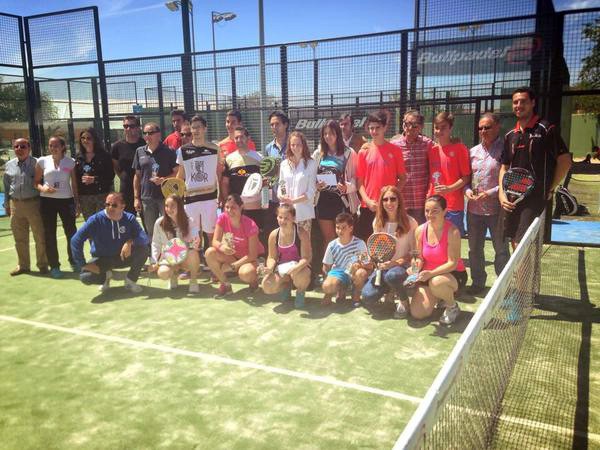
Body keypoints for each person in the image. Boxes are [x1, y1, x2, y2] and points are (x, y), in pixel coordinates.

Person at [500, 87, 572, 246]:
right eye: (515, 102)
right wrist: (501, 194)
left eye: (523, 101)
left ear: (533, 103)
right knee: (514, 242)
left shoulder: (546, 129)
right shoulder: (510, 135)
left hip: (535, 198)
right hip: (513, 197)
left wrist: (550, 188)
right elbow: (504, 167)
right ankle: (522, 273)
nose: (518, 105)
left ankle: (523, 272)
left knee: (522, 244)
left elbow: (565, 160)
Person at [465, 113, 510, 295]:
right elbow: (466, 179)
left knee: (501, 250)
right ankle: (478, 283)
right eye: (481, 128)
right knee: (474, 249)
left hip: (496, 210)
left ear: (497, 127)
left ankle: (502, 286)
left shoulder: (506, 150)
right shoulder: (472, 152)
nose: (483, 131)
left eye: (488, 127)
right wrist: (467, 191)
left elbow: (508, 180)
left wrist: (491, 193)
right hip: (474, 211)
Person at [71, 192, 149, 294]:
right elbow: (76, 240)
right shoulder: (95, 220)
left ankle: (130, 280)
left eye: (114, 205)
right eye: (107, 204)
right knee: (85, 277)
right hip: (103, 259)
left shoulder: (129, 218)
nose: (110, 208)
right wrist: (82, 263)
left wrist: (130, 242)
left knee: (144, 249)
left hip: (123, 257)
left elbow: (144, 238)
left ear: (122, 206)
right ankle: (106, 276)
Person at [361, 186, 418, 318]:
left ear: (399, 201)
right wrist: (371, 260)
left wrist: (394, 263)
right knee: (368, 297)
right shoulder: (377, 222)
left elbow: (414, 253)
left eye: (393, 199)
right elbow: (376, 250)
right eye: (385, 200)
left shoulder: (411, 222)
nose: (389, 203)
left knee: (393, 276)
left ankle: (404, 301)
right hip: (382, 269)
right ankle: (390, 290)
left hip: (402, 266)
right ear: (381, 203)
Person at [409, 195, 467, 325]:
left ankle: (452, 306)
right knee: (417, 313)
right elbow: (417, 257)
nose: (430, 214)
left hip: (453, 275)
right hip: (428, 275)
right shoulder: (419, 230)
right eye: (427, 211)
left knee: (436, 282)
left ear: (445, 211)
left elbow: (453, 263)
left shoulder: (453, 232)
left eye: (435, 211)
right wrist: (414, 270)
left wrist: (430, 274)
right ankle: (440, 297)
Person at [355, 110, 407, 241]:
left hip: (388, 208)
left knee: (388, 243)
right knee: (366, 243)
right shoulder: (363, 152)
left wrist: (392, 198)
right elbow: (359, 182)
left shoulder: (395, 151)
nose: (374, 131)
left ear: (385, 128)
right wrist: (367, 200)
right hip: (369, 207)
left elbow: (403, 178)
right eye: (371, 128)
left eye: (377, 127)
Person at [34, 136, 79, 279]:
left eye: (56, 145)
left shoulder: (70, 162)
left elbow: (75, 184)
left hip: (66, 201)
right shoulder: (42, 161)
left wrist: (76, 203)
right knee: (49, 234)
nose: (53, 148)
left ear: (62, 147)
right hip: (47, 202)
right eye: (50, 145)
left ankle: (74, 261)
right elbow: (36, 183)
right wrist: (43, 189)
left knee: (71, 233)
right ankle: (54, 266)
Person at [312, 120, 359, 253]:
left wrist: (347, 187)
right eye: (325, 134)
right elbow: (311, 176)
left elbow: (356, 178)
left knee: (344, 237)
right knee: (329, 238)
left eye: (331, 133)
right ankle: (328, 268)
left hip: (342, 201)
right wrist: (317, 185)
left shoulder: (349, 153)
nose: (328, 137)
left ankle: (346, 267)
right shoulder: (318, 153)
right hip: (323, 201)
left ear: (337, 134)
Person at [3, 138, 48, 275]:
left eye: (23, 146)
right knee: (19, 237)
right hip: (15, 204)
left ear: (29, 148)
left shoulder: (37, 163)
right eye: (16, 146)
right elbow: (6, 186)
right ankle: (23, 266)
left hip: (34, 204)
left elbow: (44, 183)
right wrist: (6, 203)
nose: (19, 149)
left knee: (39, 236)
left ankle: (43, 265)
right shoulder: (9, 165)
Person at [205, 194, 265, 297]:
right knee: (209, 252)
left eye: (233, 207)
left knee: (245, 274)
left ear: (241, 207)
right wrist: (222, 247)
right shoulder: (222, 218)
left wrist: (233, 266)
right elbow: (215, 241)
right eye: (227, 207)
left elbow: (253, 255)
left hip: (250, 259)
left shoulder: (250, 225)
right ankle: (225, 284)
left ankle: (253, 281)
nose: (229, 210)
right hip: (233, 257)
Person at [176, 115, 221, 245]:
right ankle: (195, 260)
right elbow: (180, 175)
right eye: (193, 128)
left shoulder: (215, 148)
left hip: (210, 198)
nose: (196, 131)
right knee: (192, 235)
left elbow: (219, 172)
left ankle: (212, 260)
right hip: (190, 199)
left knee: (211, 234)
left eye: (199, 127)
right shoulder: (183, 151)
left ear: (205, 129)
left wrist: (221, 195)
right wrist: (177, 195)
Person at [427, 112, 471, 236]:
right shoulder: (431, 150)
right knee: (434, 240)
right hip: (433, 205)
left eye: (443, 127)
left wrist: (449, 189)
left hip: (453, 206)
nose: (439, 131)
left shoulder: (460, 148)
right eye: (436, 127)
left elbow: (466, 177)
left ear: (450, 128)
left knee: (453, 243)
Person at [133, 122, 178, 240]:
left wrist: (164, 180)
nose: (147, 135)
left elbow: (177, 172)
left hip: (165, 197)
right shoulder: (139, 151)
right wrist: (136, 198)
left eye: (151, 133)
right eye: (145, 133)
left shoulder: (169, 151)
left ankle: (172, 256)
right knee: (151, 231)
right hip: (147, 198)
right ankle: (155, 256)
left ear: (158, 134)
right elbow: (137, 176)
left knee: (169, 228)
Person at [261, 204, 312, 308]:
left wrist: (296, 268)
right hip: (282, 269)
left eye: (286, 218)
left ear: (293, 218)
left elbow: (307, 258)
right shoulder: (273, 235)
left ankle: (300, 292)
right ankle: (287, 285)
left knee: (301, 277)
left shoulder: (302, 233)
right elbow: (272, 257)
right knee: (267, 286)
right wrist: (270, 268)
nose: (282, 221)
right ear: (276, 217)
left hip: (300, 267)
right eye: (280, 217)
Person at [150, 194, 201, 294]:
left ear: (179, 206)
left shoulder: (189, 221)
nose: (169, 209)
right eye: (166, 206)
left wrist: (196, 240)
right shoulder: (159, 223)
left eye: (172, 205)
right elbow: (155, 243)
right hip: (168, 258)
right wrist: (154, 261)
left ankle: (193, 280)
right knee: (163, 273)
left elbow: (196, 236)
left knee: (193, 253)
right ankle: (173, 276)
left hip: (185, 257)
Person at [390, 110, 432, 224]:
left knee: (420, 237)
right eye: (406, 124)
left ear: (421, 127)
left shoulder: (428, 144)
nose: (409, 128)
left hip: (421, 202)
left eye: (414, 125)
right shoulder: (394, 145)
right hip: (402, 201)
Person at [321, 212, 370, 307]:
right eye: (337, 227)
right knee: (327, 287)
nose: (340, 231)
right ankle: (341, 289)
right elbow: (326, 267)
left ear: (351, 228)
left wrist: (359, 264)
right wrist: (329, 285)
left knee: (361, 273)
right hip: (338, 272)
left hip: (354, 273)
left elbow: (368, 265)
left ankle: (356, 295)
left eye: (343, 227)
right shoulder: (332, 245)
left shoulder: (359, 243)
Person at [221, 126, 264, 230]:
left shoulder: (259, 158)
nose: (239, 140)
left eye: (242, 137)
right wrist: (226, 201)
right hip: (235, 207)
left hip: (254, 206)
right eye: (236, 138)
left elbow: (265, 182)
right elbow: (225, 183)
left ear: (248, 138)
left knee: (254, 235)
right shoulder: (229, 159)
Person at [278, 131, 317, 241]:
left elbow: (311, 191)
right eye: (292, 145)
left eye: (298, 144)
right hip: (286, 214)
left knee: (304, 247)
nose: (295, 147)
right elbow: (281, 183)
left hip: (303, 214)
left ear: (303, 145)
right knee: (288, 244)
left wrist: (293, 201)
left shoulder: (311, 164)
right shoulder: (284, 164)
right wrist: (283, 195)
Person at [74, 127, 114, 220]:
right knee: (90, 224)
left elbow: (110, 176)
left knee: (102, 223)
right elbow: (76, 179)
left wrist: (94, 179)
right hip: (85, 197)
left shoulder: (104, 156)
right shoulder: (78, 158)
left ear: (94, 140)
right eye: (83, 138)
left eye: (89, 138)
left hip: (101, 195)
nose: (85, 140)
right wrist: (77, 200)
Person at [263, 110, 290, 238]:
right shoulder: (268, 148)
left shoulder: (293, 144)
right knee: (274, 231)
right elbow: (267, 175)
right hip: (273, 198)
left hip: (290, 197)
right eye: (272, 125)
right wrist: (264, 199)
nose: (274, 127)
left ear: (285, 125)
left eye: (277, 124)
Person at [111, 115, 145, 215]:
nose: (128, 129)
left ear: (138, 128)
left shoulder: (145, 144)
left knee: (148, 221)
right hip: (126, 188)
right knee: (127, 220)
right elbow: (116, 166)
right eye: (125, 126)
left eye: (132, 126)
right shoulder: (117, 146)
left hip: (145, 187)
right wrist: (123, 176)